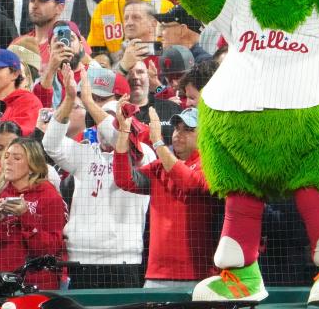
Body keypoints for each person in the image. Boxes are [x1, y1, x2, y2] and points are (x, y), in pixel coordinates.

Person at [42, 65, 150, 289]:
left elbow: (117, 135)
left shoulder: (142, 155)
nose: (102, 124)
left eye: (111, 117)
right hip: (80, 260)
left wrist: (90, 102)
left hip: (121, 260)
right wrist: (70, 99)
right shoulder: (86, 154)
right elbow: (50, 144)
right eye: (99, 116)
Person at [113, 104, 216, 288]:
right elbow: (124, 179)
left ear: (205, 136)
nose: (178, 133)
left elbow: (189, 183)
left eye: (189, 130)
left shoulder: (211, 165)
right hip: (157, 275)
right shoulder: (158, 167)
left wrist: (158, 143)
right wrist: (123, 131)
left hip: (198, 275)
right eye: (177, 128)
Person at [0, 137, 67, 290]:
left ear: (32, 166)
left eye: (16, 158)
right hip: (2, 284)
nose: (8, 162)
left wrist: (25, 216)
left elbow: (50, 250)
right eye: (7, 156)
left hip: (39, 285)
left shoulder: (49, 197)